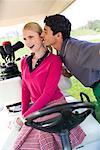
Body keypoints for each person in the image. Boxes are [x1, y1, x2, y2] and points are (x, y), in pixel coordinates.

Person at [14, 22, 86, 150]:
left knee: (42, 137)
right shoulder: (24, 61)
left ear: (41, 37)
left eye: (31, 37)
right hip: (37, 107)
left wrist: (25, 116)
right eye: (24, 38)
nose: (27, 42)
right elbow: (25, 90)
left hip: (55, 105)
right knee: (21, 140)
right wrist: (24, 113)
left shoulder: (54, 60)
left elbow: (47, 94)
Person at [41, 14, 100, 105]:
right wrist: (69, 73)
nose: (42, 35)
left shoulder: (75, 48)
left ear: (58, 35)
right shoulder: (62, 50)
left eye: (45, 31)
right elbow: (78, 61)